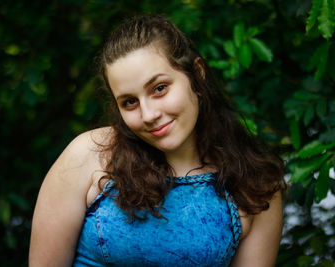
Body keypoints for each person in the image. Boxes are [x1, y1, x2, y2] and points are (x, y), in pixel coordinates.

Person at [29, 15, 286, 266]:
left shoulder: (254, 183)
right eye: (130, 102)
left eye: (159, 88)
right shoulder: (88, 155)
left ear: (197, 74)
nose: (149, 114)